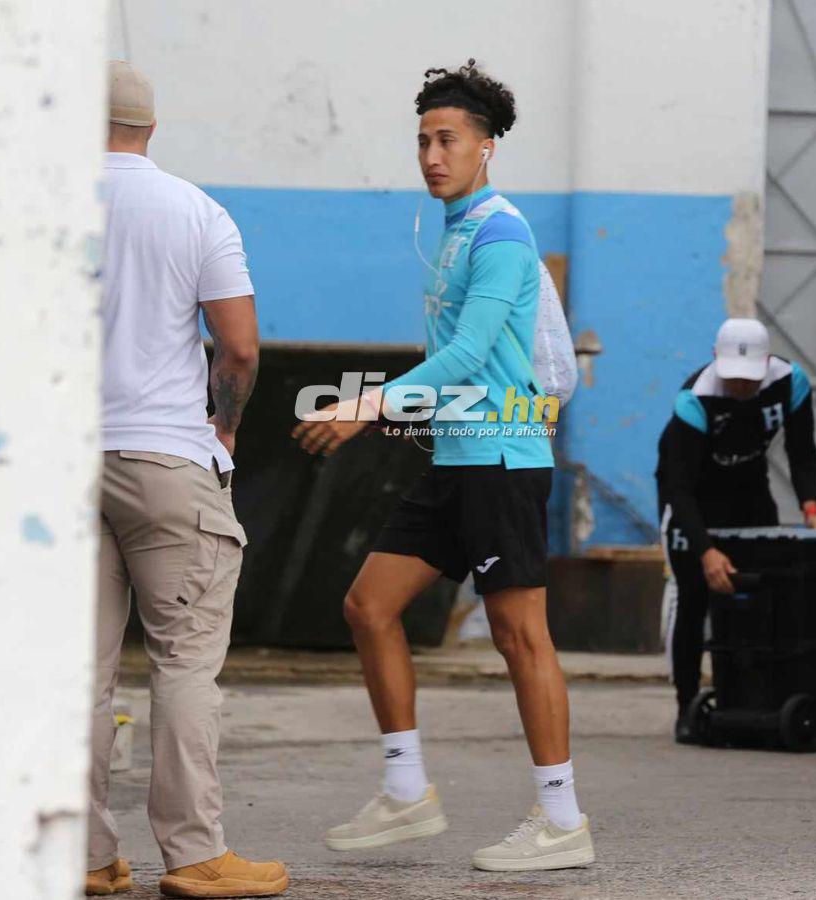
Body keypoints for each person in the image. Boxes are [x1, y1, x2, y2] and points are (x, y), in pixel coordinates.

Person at [292, 60, 595, 873]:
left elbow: (464, 356)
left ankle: (562, 819)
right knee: (368, 606)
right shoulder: (454, 231)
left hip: (503, 455)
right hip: (458, 456)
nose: (432, 154)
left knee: (518, 634)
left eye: (449, 139)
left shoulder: (499, 232)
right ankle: (406, 792)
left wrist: (365, 406)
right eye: (423, 139)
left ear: (486, 147)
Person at [87, 60, 289, 898]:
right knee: (183, 663)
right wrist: (227, 424)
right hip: (169, 460)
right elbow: (237, 346)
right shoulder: (195, 211)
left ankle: (84, 857)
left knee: (77, 670)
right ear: (151, 128)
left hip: (62, 459)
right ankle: (195, 854)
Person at [655, 318, 816, 744]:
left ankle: (751, 700)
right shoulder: (695, 399)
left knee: (759, 599)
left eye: (749, 380)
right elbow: (677, 488)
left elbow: (802, 450)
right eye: (733, 380)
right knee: (696, 599)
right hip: (692, 504)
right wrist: (707, 551)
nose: (741, 388)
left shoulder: (791, 382)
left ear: (767, 362)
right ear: (717, 361)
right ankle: (686, 706)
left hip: (750, 493)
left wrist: (811, 508)